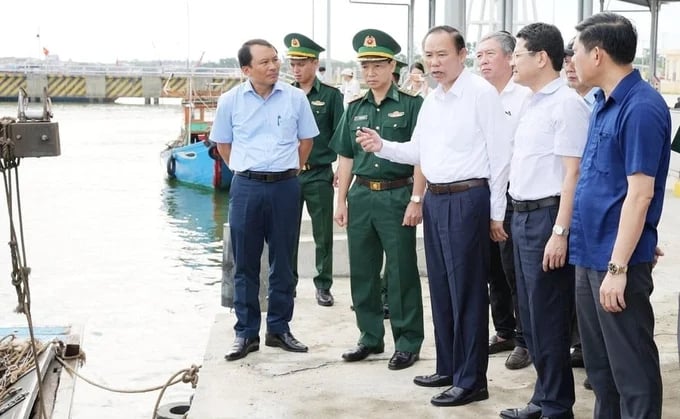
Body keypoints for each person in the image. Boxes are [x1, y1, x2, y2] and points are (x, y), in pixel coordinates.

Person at [356, 25, 511, 407]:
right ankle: (449, 366)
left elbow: (501, 157)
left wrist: (496, 214)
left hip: (468, 198)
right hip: (437, 201)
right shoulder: (432, 99)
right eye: (428, 55)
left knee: (468, 292)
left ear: (462, 55)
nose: (434, 62)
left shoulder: (480, 95)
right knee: (441, 288)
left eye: (442, 54)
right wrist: (382, 146)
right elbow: (418, 151)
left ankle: (472, 380)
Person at [570, 12, 670, 419]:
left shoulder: (641, 107)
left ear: (597, 54)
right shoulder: (600, 102)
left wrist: (621, 264)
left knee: (632, 370)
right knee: (601, 370)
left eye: (574, 52)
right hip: (590, 252)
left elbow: (640, 193)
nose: (570, 60)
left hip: (614, 262)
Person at [499, 23, 590, 419]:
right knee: (531, 316)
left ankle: (555, 406)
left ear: (541, 57)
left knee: (549, 314)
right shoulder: (530, 101)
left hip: (547, 218)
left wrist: (560, 231)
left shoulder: (566, 104)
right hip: (520, 216)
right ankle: (543, 397)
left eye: (517, 54)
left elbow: (573, 173)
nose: (512, 61)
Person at [211, 38, 319, 361]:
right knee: (244, 262)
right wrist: (247, 172)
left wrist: (289, 170)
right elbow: (224, 146)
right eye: (265, 62)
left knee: (284, 261)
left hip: (286, 186)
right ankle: (245, 334)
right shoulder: (230, 101)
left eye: (275, 60)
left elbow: (306, 141)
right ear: (246, 69)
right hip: (246, 187)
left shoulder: (295, 98)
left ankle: (279, 328)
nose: (274, 67)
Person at [330, 28, 426, 371]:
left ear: (392, 67)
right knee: (363, 271)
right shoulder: (354, 107)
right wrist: (340, 201)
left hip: (396, 194)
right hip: (361, 195)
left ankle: (408, 341)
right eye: (365, 66)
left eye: (377, 65)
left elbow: (421, 158)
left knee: (401, 272)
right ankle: (369, 338)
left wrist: (417, 198)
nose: (370, 73)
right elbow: (345, 156)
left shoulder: (413, 106)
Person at [476, 30, 532, 371]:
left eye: (489, 54)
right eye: (478, 55)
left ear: (510, 58)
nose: (482, 61)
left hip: (514, 195)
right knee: (492, 270)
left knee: (515, 272)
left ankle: (526, 340)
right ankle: (505, 330)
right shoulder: (477, 95)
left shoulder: (524, 97)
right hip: (480, 192)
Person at [284, 33, 344, 307]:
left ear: (314, 63)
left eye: (302, 63)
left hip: (319, 172)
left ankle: (323, 285)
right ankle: (288, 283)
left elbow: (340, 135)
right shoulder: (283, 94)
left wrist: (342, 169)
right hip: (289, 174)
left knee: (323, 234)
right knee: (287, 233)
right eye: (292, 63)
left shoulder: (331, 96)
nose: (296, 68)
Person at [563, 36, 599, 374]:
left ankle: (593, 355)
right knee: (578, 289)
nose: (570, 66)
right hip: (572, 208)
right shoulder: (569, 102)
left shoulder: (602, 103)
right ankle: (581, 346)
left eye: (576, 57)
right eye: (567, 59)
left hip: (601, 217)